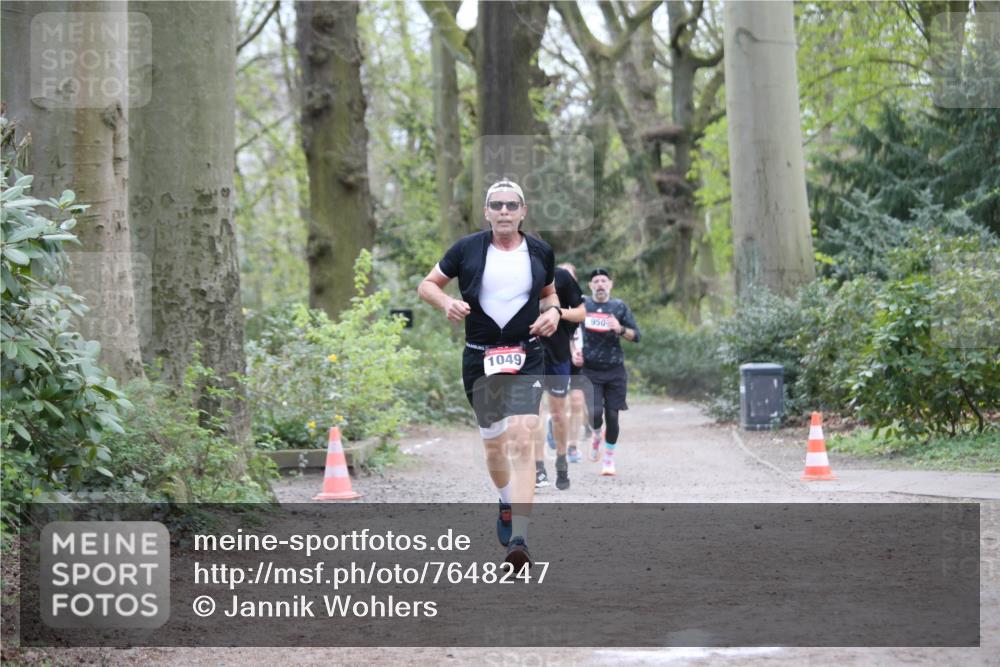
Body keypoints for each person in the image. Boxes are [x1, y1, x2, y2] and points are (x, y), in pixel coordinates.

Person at [417, 179, 565, 568]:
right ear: (486, 212)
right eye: (496, 205)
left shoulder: (540, 251)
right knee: (495, 445)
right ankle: (504, 502)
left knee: (523, 437)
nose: (503, 211)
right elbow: (426, 284)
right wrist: (446, 301)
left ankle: (520, 538)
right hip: (480, 357)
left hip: (527, 354)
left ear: (522, 211)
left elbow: (550, 294)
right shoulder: (467, 249)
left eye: (511, 205)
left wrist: (552, 313)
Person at [580, 268, 640, 476]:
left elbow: (636, 336)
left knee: (612, 416)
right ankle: (597, 435)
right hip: (590, 369)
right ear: (590, 286)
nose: (600, 284)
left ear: (610, 284)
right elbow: (571, 332)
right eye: (595, 281)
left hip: (614, 370)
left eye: (604, 281)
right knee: (595, 412)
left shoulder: (619, 306)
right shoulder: (583, 305)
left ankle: (609, 459)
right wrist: (574, 352)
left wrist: (620, 329)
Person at [533, 262, 585, 490]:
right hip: (528, 354)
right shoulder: (513, 276)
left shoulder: (561, 277)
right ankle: (538, 468)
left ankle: (562, 461)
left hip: (557, 354)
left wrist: (557, 312)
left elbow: (582, 313)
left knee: (557, 413)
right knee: (533, 413)